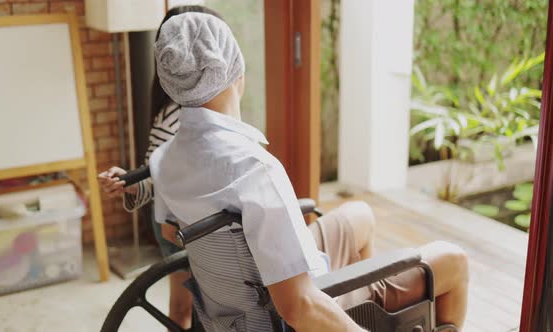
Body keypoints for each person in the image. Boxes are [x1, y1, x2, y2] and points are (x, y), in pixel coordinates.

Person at [147, 12, 469, 332]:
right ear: (235, 70)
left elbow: (169, 233)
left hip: (238, 304)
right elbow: (298, 306)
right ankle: (360, 311)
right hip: (286, 312)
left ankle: (368, 305)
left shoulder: (163, 160)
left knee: (361, 215)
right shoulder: (252, 168)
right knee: (453, 260)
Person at [97, 6, 222, 329]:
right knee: (194, 309)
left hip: (181, 222)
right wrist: (129, 183)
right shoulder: (177, 114)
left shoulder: (204, 107)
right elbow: (154, 177)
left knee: (184, 308)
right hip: (186, 226)